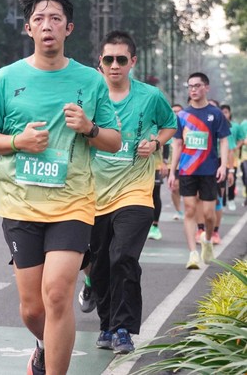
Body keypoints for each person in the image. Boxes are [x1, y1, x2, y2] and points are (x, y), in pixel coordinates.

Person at [0, 0, 121, 375]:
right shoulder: (4, 80)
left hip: (72, 203)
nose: (47, 25)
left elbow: (114, 140)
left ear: (68, 28)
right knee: (32, 308)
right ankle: (42, 345)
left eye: (55, 18)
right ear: (28, 29)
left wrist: (89, 128)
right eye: (39, 19)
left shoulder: (90, 81)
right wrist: (17, 142)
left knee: (57, 294)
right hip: (19, 202)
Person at [89, 30, 176, 355]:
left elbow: (170, 124)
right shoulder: (90, 96)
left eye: (121, 59)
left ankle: (123, 328)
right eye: (109, 59)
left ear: (132, 62)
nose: (115, 65)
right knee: (99, 265)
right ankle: (106, 323)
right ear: (100, 61)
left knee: (123, 257)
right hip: (94, 195)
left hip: (135, 193)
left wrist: (155, 142)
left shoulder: (150, 96)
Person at [168, 73, 230, 270]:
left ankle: (208, 240)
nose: (193, 89)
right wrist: (172, 171)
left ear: (206, 88)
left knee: (209, 215)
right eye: (190, 86)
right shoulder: (182, 116)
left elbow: (224, 141)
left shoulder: (216, 114)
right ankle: (193, 254)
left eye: (197, 86)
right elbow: (177, 144)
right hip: (187, 170)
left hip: (209, 170)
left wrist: (223, 165)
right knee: (190, 210)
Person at [220, 104, 245, 211]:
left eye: (226, 112)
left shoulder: (235, 126)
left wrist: (235, 148)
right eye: (222, 112)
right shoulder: (217, 126)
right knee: (221, 180)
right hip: (219, 158)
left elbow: (241, 139)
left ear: (230, 113)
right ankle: (222, 202)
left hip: (232, 158)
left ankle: (231, 199)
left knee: (231, 178)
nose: (224, 114)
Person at [169, 104, 184, 220]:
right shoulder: (167, 126)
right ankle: (178, 211)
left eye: (179, 111)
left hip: (186, 163)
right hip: (172, 164)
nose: (176, 114)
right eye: (174, 111)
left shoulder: (187, 125)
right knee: (174, 188)